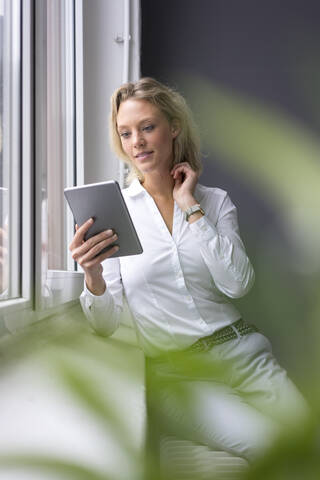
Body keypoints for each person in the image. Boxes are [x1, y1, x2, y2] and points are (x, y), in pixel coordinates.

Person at [69, 77, 309, 465]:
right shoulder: (115, 212)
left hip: (247, 356)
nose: (137, 142)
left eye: (147, 127)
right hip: (184, 377)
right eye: (126, 133)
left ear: (173, 127)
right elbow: (104, 325)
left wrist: (190, 207)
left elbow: (237, 285)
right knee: (273, 449)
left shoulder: (213, 202)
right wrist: (92, 276)